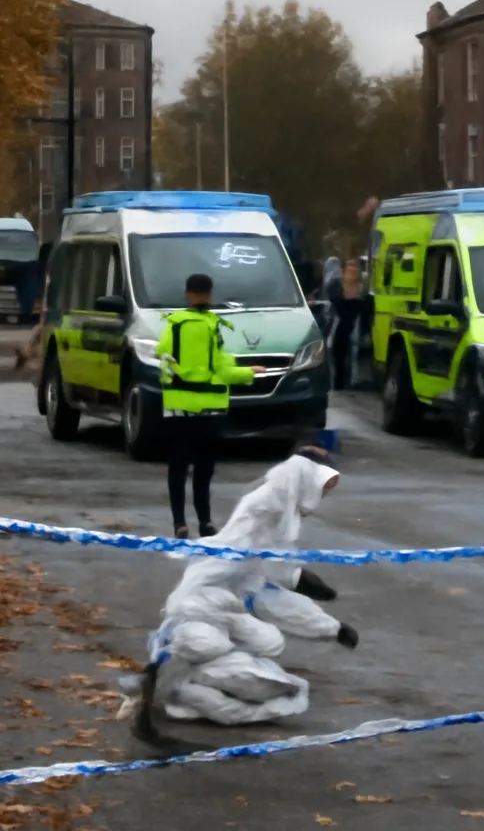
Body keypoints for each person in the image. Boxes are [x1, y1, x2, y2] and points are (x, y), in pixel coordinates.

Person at [118, 447, 358, 733]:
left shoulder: (272, 526)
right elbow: (264, 569)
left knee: (267, 641)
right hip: (201, 604)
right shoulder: (264, 512)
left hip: (228, 603)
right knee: (203, 642)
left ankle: (180, 684)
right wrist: (296, 577)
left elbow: (268, 590)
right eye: (324, 487)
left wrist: (330, 627)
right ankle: (162, 681)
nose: (323, 496)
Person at [156, 273, 266, 539]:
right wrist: (248, 372)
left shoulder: (175, 324)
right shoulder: (211, 325)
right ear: (209, 294)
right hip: (209, 408)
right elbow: (219, 369)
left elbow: (164, 356)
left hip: (178, 406)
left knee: (178, 466)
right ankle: (205, 521)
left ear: (187, 294)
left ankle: (179, 522)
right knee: (204, 468)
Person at [329, 259, 363, 391]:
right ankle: (339, 383)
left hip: (353, 330)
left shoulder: (362, 291)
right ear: (343, 272)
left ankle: (351, 382)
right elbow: (333, 308)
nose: (352, 273)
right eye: (349, 270)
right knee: (339, 356)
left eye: (355, 270)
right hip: (340, 330)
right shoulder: (336, 287)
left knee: (353, 355)